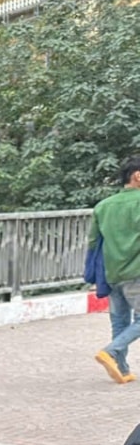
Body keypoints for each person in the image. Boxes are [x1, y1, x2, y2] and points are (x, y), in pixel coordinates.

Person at [91, 156, 140, 384]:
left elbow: (93, 244)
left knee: (120, 321)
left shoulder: (103, 206)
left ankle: (122, 369)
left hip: (111, 273)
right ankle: (111, 351)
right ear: (137, 175)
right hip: (137, 272)